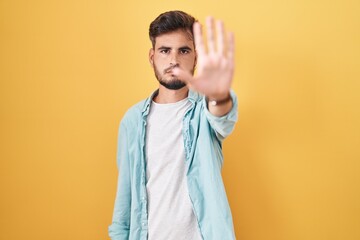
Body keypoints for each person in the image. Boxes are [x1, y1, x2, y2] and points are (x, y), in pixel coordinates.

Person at [109, 10, 238, 240]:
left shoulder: (203, 111)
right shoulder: (132, 121)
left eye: (184, 50)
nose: (174, 60)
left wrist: (219, 95)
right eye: (165, 50)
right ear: (152, 56)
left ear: (196, 58)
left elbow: (222, 117)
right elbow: (124, 202)